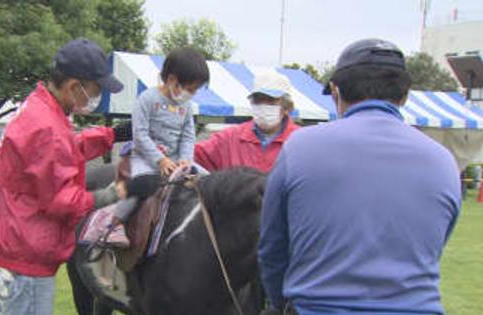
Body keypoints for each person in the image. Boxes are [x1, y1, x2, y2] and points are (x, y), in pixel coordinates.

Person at [258, 39, 461, 315]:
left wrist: (282, 303)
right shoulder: (443, 161)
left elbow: (272, 250)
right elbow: (433, 247)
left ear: (335, 92)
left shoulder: (300, 147)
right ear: (404, 96)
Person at [0, 38, 132, 315]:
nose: (96, 96)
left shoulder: (38, 109)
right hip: (25, 260)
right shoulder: (46, 128)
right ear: (75, 86)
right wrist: (113, 193)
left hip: (13, 248)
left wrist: (113, 134)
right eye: (95, 89)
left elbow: (62, 153)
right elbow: (62, 200)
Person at [104, 47, 210, 247]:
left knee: (208, 180)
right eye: (190, 88)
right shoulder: (147, 99)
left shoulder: (186, 107)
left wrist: (186, 158)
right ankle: (113, 225)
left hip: (177, 160)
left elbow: (188, 135)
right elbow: (140, 135)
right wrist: (159, 160)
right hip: (145, 158)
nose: (192, 94)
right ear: (171, 80)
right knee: (138, 188)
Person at [194, 72, 299, 173]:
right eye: (258, 100)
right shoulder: (229, 138)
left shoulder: (301, 141)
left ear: (287, 107)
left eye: (271, 100)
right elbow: (193, 156)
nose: (263, 105)